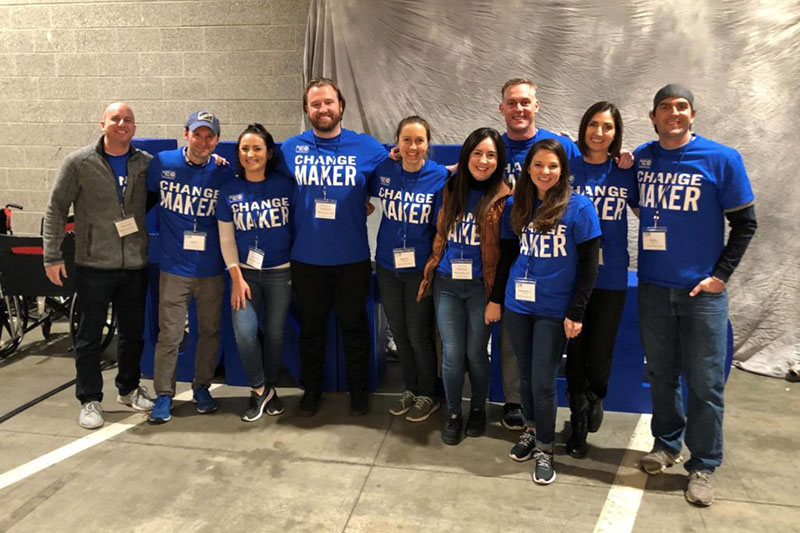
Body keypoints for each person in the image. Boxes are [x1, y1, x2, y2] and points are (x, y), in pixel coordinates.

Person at [635, 84, 756, 506]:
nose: (673, 113)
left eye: (681, 107)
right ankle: (666, 445)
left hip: (702, 293)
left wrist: (720, 276)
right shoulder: (643, 159)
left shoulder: (722, 159)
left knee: (704, 383)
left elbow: (746, 224)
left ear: (693, 114)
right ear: (653, 116)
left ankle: (703, 464)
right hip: (653, 288)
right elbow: (639, 205)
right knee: (662, 375)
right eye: (665, 108)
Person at [277, 78, 387, 416]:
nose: (322, 109)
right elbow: (255, 171)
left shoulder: (368, 148)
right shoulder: (288, 149)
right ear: (306, 110)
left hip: (352, 258)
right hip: (306, 259)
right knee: (311, 331)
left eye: (328, 102)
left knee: (355, 329)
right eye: (315, 104)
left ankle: (359, 391)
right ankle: (311, 390)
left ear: (340, 106)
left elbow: (405, 171)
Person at [43, 102, 154, 429]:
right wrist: (51, 256)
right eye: (116, 119)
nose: (122, 124)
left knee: (133, 334)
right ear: (102, 123)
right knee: (89, 337)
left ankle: (129, 389)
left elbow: (181, 178)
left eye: (129, 120)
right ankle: (90, 399)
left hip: (134, 264)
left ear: (134, 127)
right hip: (93, 265)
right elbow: (56, 209)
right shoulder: (79, 163)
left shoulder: (146, 163)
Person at [501, 138, 601, 485]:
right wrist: (499, 298)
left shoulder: (580, 208)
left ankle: (546, 447)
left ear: (563, 171)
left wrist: (577, 311)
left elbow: (589, 267)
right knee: (526, 376)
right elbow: (507, 255)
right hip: (518, 304)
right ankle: (530, 429)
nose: (545, 171)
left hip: (554, 309)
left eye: (553, 166)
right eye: (539, 165)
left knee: (544, 381)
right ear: (528, 168)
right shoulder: (517, 204)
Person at [495, 77, 582, 432]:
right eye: (512, 103)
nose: (519, 109)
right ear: (502, 108)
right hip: (509, 250)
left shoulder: (561, 146)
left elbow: (593, 168)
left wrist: (621, 156)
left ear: (537, 106)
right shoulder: (494, 147)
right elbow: (461, 171)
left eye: (525, 102)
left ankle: (544, 422)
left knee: (543, 352)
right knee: (511, 340)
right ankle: (515, 402)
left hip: (554, 260)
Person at [417, 127, 512, 445]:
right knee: (453, 354)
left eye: (491, 155)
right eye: (477, 153)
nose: (483, 161)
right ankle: (455, 413)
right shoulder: (448, 187)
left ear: (499, 161)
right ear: (466, 155)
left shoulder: (504, 197)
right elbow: (436, 230)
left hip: (479, 287)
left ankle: (479, 410)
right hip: (446, 282)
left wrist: (495, 297)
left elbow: (507, 253)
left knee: (475, 353)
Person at [146, 110, 235, 424]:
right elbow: (142, 195)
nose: (203, 141)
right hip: (173, 267)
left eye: (210, 135)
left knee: (209, 332)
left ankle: (201, 386)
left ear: (217, 140)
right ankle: (164, 395)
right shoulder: (163, 163)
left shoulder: (224, 172)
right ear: (186, 134)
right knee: (170, 334)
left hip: (211, 268)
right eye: (198, 134)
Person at [564, 102, 639, 457]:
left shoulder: (626, 170)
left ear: (615, 133)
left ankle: (597, 395)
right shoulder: (569, 166)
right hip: (572, 274)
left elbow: (644, 209)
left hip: (610, 276)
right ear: (583, 128)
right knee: (575, 349)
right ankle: (577, 423)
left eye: (607, 127)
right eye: (593, 124)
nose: (598, 132)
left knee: (600, 350)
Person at [370, 116, 449, 423]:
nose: (413, 147)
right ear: (397, 143)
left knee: (418, 333)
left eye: (419, 141)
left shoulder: (439, 176)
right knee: (399, 332)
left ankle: (428, 393)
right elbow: (361, 187)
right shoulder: (384, 170)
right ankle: (411, 388)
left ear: (428, 144)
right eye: (407, 140)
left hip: (420, 269)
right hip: (388, 266)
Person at [217, 124, 294, 422]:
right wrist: (236, 277)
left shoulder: (286, 186)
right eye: (245, 149)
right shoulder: (230, 190)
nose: (251, 154)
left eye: (257, 148)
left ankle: (269, 388)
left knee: (275, 334)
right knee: (246, 333)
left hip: (281, 273)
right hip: (244, 275)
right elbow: (226, 238)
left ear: (269, 152)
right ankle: (259, 388)